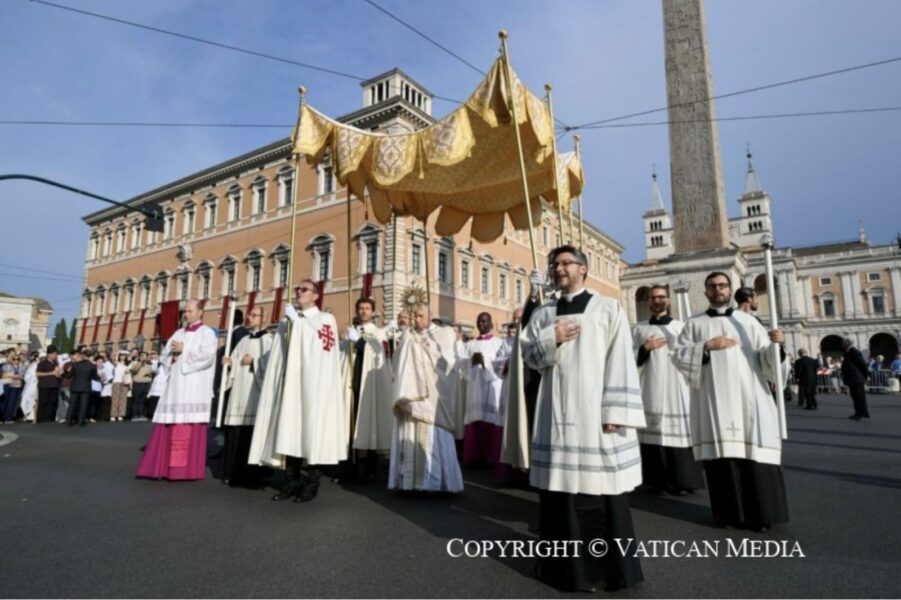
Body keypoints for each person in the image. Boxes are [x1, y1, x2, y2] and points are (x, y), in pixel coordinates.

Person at [520, 245, 645, 592]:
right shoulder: (543, 314)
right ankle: (564, 570)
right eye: (553, 264)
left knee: (600, 491)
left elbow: (621, 360)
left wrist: (616, 412)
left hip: (595, 415)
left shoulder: (607, 308)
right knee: (560, 494)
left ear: (583, 269)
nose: (558, 269)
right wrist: (550, 338)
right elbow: (529, 356)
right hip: (555, 415)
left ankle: (606, 570)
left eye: (565, 263)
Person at [674, 271, 789, 532]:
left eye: (723, 285)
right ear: (706, 292)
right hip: (712, 400)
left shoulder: (748, 323)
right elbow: (678, 356)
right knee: (721, 461)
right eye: (713, 286)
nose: (718, 290)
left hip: (750, 399)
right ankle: (727, 514)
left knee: (754, 459)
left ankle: (760, 516)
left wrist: (778, 347)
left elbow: (768, 364)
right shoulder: (694, 325)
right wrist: (704, 347)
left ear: (730, 289)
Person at [250, 280, 347, 503]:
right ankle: (291, 482)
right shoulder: (289, 320)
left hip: (313, 387)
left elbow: (322, 350)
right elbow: (280, 355)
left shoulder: (325, 319)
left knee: (311, 433)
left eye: (304, 289)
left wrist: (298, 324)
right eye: (297, 289)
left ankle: (311, 484)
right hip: (291, 386)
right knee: (290, 432)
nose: (299, 292)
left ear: (315, 296)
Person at [632, 284, 704, 495]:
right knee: (650, 435)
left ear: (669, 301)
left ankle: (682, 480)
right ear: (649, 302)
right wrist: (644, 348)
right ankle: (655, 480)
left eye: (662, 297)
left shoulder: (681, 327)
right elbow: (627, 357)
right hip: (649, 386)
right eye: (654, 298)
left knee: (678, 433)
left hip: (677, 386)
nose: (658, 301)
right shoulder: (638, 329)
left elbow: (693, 355)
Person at [136, 300, 218, 481]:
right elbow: (165, 355)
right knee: (169, 423)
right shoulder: (178, 332)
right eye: (185, 312)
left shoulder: (207, 333)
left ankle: (185, 470)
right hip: (176, 387)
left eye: (190, 311)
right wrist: (172, 355)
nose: (186, 314)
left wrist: (185, 349)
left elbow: (208, 357)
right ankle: (163, 467)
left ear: (200, 313)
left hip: (194, 387)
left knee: (188, 425)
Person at [389, 303, 463, 493]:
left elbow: (450, 362)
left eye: (421, 315)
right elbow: (398, 361)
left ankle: (436, 483)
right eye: (415, 316)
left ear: (430, 316)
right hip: (412, 397)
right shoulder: (409, 335)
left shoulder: (444, 333)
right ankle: (410, 482)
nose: (417, 320)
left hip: (434, 397)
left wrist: (428, 348)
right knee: (411, 434)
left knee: (434, 438)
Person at [220, 306, 271, 487]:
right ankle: (231, 471)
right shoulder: (243, 340)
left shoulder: (269, 340)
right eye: (249, 315)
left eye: (254, 315)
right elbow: (234, 360)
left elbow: (271, 368)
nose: (250, 318)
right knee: (235, 432)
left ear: (264, 319)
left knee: (250, 434)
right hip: (239, 393)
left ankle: (252, 473)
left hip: (255, 394)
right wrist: (229, 363)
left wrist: (254, 362)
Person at [345, 297, 394, 483]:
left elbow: (378, 355)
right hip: (350, 380)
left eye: (367, 308)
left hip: (367, 383)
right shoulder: (351, 330)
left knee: (369, 423)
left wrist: (358, 341)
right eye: (361, 308)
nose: (364, 311)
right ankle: (350, 466)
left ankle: (369, 469)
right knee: (350, 425)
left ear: (372, 311)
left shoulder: (379, 333)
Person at [461, 312, 509, 469]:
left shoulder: (499, 343)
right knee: (475, 420)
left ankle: (490, 456)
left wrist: (486, 361)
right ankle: (473, 456)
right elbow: (460, 363)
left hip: (491, 387)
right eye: (479, 321)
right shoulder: (469, 344)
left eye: (484, 321)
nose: (481, 324)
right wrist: (471, 361)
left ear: (491, 324)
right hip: (474, 387)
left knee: (490, 419)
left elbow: (504, 362)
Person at [841, 338, 870, 421]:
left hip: (857, 378)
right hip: (852, 379)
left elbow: (862, 364)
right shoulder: (848, 352)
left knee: (860, 398)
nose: (842, 346)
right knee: (855, 397)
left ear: (846, 344)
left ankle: (864, 414)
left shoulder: (854, 352)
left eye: (843, 344)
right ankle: (858, 413)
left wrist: (866, 376)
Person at [68, 349, 99, 427]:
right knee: (83, 405)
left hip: (75, 386)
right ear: (90, 356)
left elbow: (69, 375)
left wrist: (63, 373)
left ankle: (69, 421)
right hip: (86, 387)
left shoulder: (76, 364)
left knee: (72, 404)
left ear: (83, 355)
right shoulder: (92, 366)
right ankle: (81, 421)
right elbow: (95, 377)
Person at [35, 346, 61, 423]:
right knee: (43, 402)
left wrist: (59, 373)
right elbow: (38, 373)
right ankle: (41, 419)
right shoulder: (42, 363)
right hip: (44, 386)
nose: (55, 355)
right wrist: (51, 373)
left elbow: (57, 373)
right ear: (49, 354)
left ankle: (50, 418)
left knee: (52, 403)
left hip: (54, 385)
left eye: (56, 354)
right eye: (54, 354)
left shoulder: (56, 363)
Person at [1, 353, 26, 423]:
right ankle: (4, 418)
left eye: (18, 359)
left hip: (17, 386)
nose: (16, 361)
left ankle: (8, 418)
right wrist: (13, 376)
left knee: (13, 403)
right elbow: (2, 376)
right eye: (14, 359)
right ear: (11, 359)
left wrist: (18, 376)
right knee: (5, 402)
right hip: (8, 385)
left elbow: (23, 376)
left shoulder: (22, 367)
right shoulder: (6, 366)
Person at [130, 352, 154, 422]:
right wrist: (140, 362)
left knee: (142, 400)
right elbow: (134, 371)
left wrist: (149, 375)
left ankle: (140, 414)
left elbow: (151, 374)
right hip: (138, 383)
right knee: (136, 400)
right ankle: (134, 415)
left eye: (145, 356)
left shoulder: (149, 365)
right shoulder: (135, 363)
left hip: (146, 384)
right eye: (142, 356)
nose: (143, 357)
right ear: (139, 357)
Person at [110, 353, 130, 422]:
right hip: (116, 382)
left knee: (123, 399)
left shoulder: (127, 365)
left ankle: (120, 415)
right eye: (121, 356)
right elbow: (114, 360)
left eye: (124, 356)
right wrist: (118, 353)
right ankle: (113, 415)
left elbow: (128, 374)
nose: (123, 357)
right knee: (115, 399)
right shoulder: (116, 363)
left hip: (124, 383)